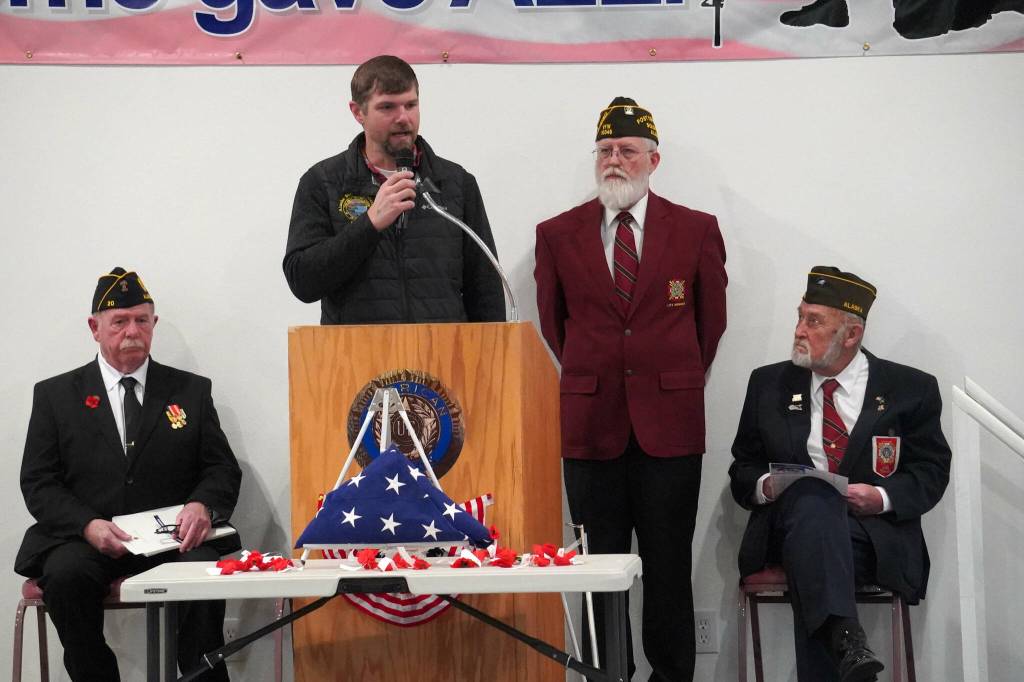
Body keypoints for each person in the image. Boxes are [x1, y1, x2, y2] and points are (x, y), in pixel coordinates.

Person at [534, 97, 728, 681]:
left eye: (626, 151)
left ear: (653, 159)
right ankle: (607, 676)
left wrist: (666, 379)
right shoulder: (557, 234)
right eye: (605, 151)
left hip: (669, 430)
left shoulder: (695, 230)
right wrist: (598, 377)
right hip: (592, 430)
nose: (614, 161)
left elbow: (709, 325)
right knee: (598, 570)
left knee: (669, 568)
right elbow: (553, 323)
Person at [15, 267, 243, 682]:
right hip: (89, 541)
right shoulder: (54, 396)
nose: (131, 330)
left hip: (174, 541)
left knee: (204, 575)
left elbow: (220, 467)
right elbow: (38, 482)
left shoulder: (190, 391)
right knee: (65, 577)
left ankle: (201, 676)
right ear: (95, 328)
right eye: (119, 322)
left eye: (141, 320)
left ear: (154, 324)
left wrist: (202, 505)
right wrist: (86, 525)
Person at [728, 267, 951, 682]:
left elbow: (931, 471)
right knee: (812, 505)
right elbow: (743, 467)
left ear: (851, 334)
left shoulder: (910, 388)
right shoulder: (769, 384)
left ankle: (843, 636)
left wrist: (881, 498)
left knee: (813, 551)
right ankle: (846, 638)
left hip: (873, 537)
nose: (798, 330)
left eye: (813, 321)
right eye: (799, 316)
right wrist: (766, 485)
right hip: (787, 529)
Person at [283, 54, 505, 325]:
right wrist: (369, 224)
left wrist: (490, 359)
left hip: (441, 358)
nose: (403, 118)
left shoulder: (455, 182)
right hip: (356, 360)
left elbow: (485, 288)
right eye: (387, 107)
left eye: (411, 105)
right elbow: (303, 282)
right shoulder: (323, 182)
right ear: (357, 112)